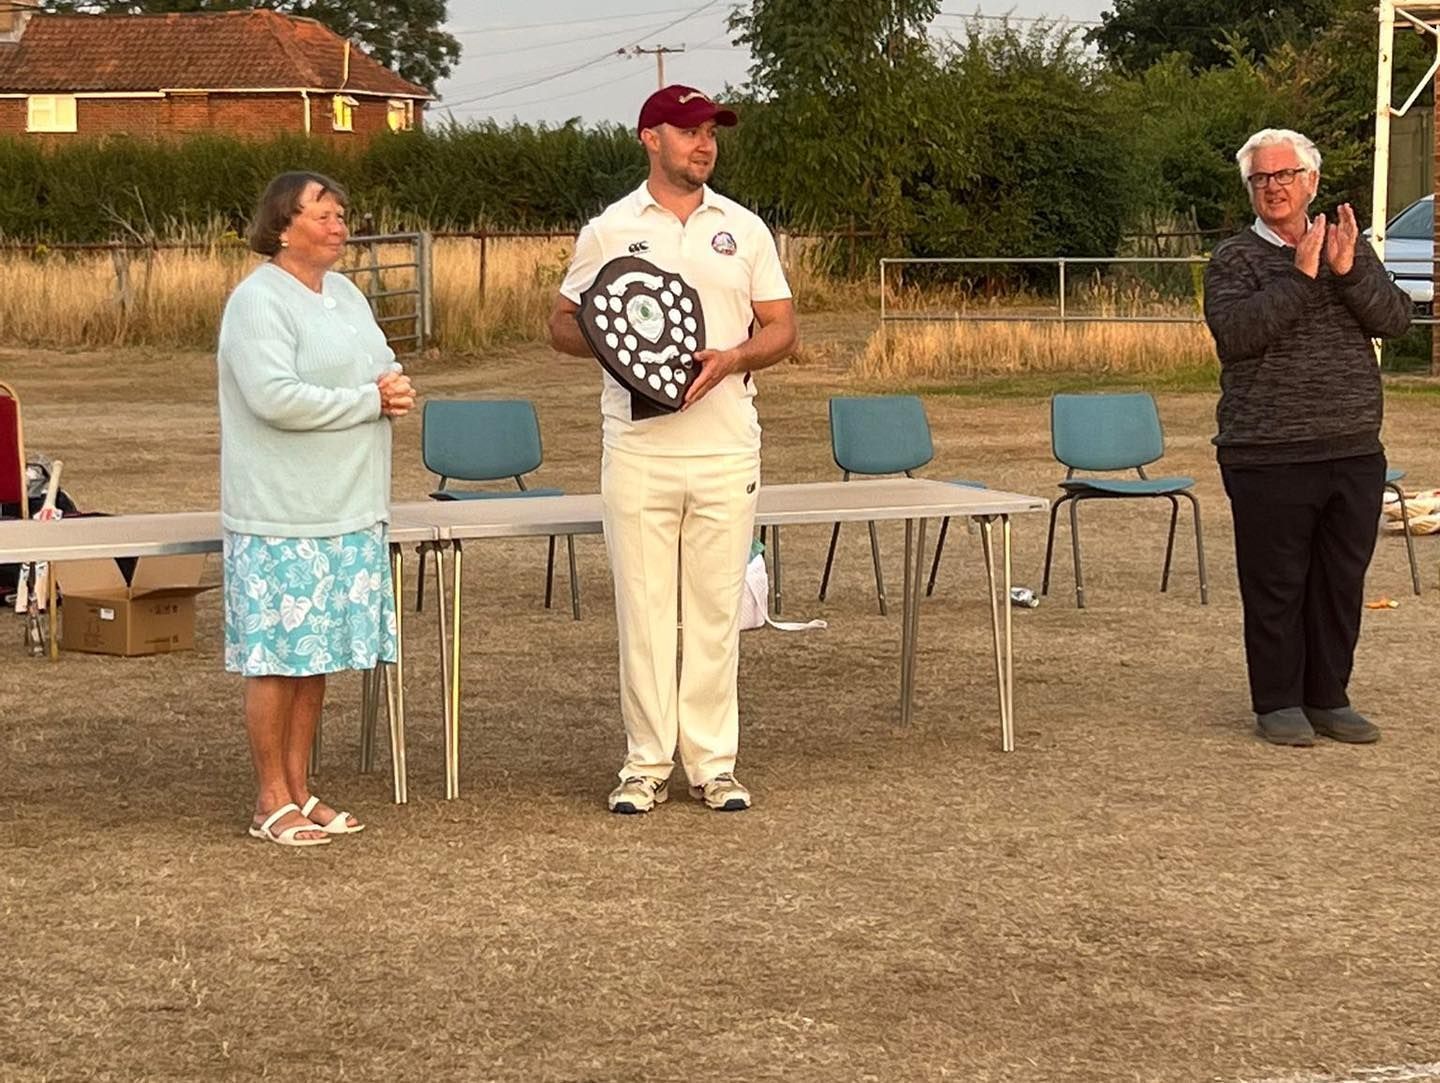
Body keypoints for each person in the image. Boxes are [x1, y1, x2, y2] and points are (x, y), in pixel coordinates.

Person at [548, 85, 798, 813]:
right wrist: (615, 343)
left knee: (716, 613)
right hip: (639, 449)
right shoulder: (609, 229)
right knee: (646, 613)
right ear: (650, 138)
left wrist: (735, 357)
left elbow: (782, 328)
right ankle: (645, 764)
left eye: (711, 131)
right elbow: (561, 322)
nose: (704, 144)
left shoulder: (744, 228)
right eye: (688, 131)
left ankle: (713, 764)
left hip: (726, 448)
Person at [218, 172, 416, 845]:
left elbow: (383, 363)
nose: (339, 225)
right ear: (282, 225)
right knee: (276, 659)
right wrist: (368, 401)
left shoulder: (345, 294)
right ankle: (269, 799)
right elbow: (273, 396)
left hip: (348, 505)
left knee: (314, 656)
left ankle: (300, 788)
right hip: (283, 512)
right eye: (324, 214)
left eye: (342, 214)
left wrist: (392, 387)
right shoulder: (257, 302)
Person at [1202, 129, 1411, 747]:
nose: (1274, 187)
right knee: (1277, 583)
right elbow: (1237, 334)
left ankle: (1329, 697)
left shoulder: (1348, 245)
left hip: (1353, 447)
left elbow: (1396, 319)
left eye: (1285, 175)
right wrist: (1299, 277)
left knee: (1340, 583)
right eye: (1261, 178)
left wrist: (1347, 272)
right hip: (1267, 451)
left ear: (1311, 182)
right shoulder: (1234, 259)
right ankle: (1277, 702)